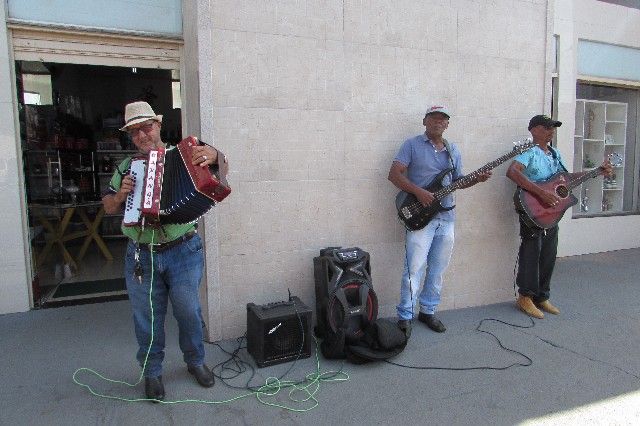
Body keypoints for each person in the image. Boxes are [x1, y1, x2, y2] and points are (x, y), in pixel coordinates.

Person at [103, 101, 225, 401]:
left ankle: (195, 362)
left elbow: (220, 169)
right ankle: (152, 372)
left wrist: (216, 155)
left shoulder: (183, 156)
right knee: (146, 317)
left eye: (146, 127)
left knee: (189, 312)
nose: (142, 135)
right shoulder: (125, 168)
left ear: (158, 125)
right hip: (140, 254)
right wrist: (121, 196)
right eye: (134, 131)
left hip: (183, 249)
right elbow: (107, 206)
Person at [388, 105, 491, 338]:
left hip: (446, 217)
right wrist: (420, 192)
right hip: (419, 216)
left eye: (443, 119)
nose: (438, 122)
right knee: (413, 268)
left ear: (447, 124)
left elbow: (458, 181)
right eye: (434, 118)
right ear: (425, 121)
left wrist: (477, 180)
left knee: (438, 269)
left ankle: (428, 311)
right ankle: (405, 316)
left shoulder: (452, 150)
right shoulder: (411, 144)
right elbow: (394, 174)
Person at [506, 114, 612, 319]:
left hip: (551, 211)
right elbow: (513, 172)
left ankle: (541, 296)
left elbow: (565, 179)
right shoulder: (528, 151)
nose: (551, 131)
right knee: (531, 252)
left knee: (548, 253)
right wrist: (541, 192)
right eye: (546, 127)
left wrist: (596, 171)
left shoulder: (554, 154)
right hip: (533, 208)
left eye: (553, 127)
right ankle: (525, 298)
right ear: (534, 130)